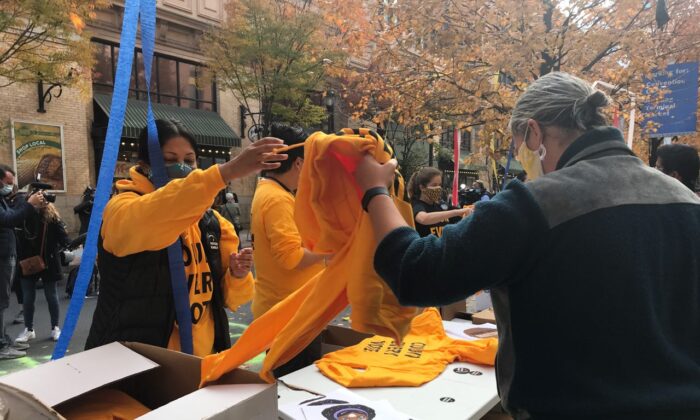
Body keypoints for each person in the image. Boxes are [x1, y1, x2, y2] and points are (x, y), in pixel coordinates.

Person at [354, 72, 700, 418]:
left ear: (534, 133)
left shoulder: (536, 203)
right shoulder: (687, 202)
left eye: (518, 145)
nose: (522, 158)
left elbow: (417, 272)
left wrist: (375, 192)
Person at [85, 119, 287, 357]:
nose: (182, 168)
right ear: (144, 165)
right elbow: (158, 213)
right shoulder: (122, 208)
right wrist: (224, 173)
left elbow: (229, 300)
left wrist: (237, 275)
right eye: (169, 160)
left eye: (189, 160)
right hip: (138, 364)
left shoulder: (213, 223)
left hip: (201, 360)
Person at [250, 123, 327, 376]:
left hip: (288, 310)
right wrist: (334, 252)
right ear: (297, 163)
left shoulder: (271, 193)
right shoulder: (277, 200)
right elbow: (291, 257)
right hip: (290, 315)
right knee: (295, 385)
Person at [0, 164, 45, 359]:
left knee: (2, 301)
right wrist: (28, 204)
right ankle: (1, 346)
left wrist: (28, 204)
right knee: (0, 302)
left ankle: (2, 340)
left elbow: (12, 216)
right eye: (8, 183)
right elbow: (8, 219)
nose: (10, 186)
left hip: (6, 254)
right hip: (2, 256)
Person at [15, 200, 68, 343]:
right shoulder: (51, 217)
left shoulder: (23, 216)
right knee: (49, 295)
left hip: (28, 261)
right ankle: (53, 328)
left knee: (31, 296)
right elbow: (64, 239)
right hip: (46, 260)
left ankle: (31, 329)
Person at [407, 167, 470, 237]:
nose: (438, 188)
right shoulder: (416, 205)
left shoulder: (441, 206)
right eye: (434, 185)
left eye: (439, 185)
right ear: (422, 187)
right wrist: (457, 212)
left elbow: (461, 216)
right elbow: (423, 218)